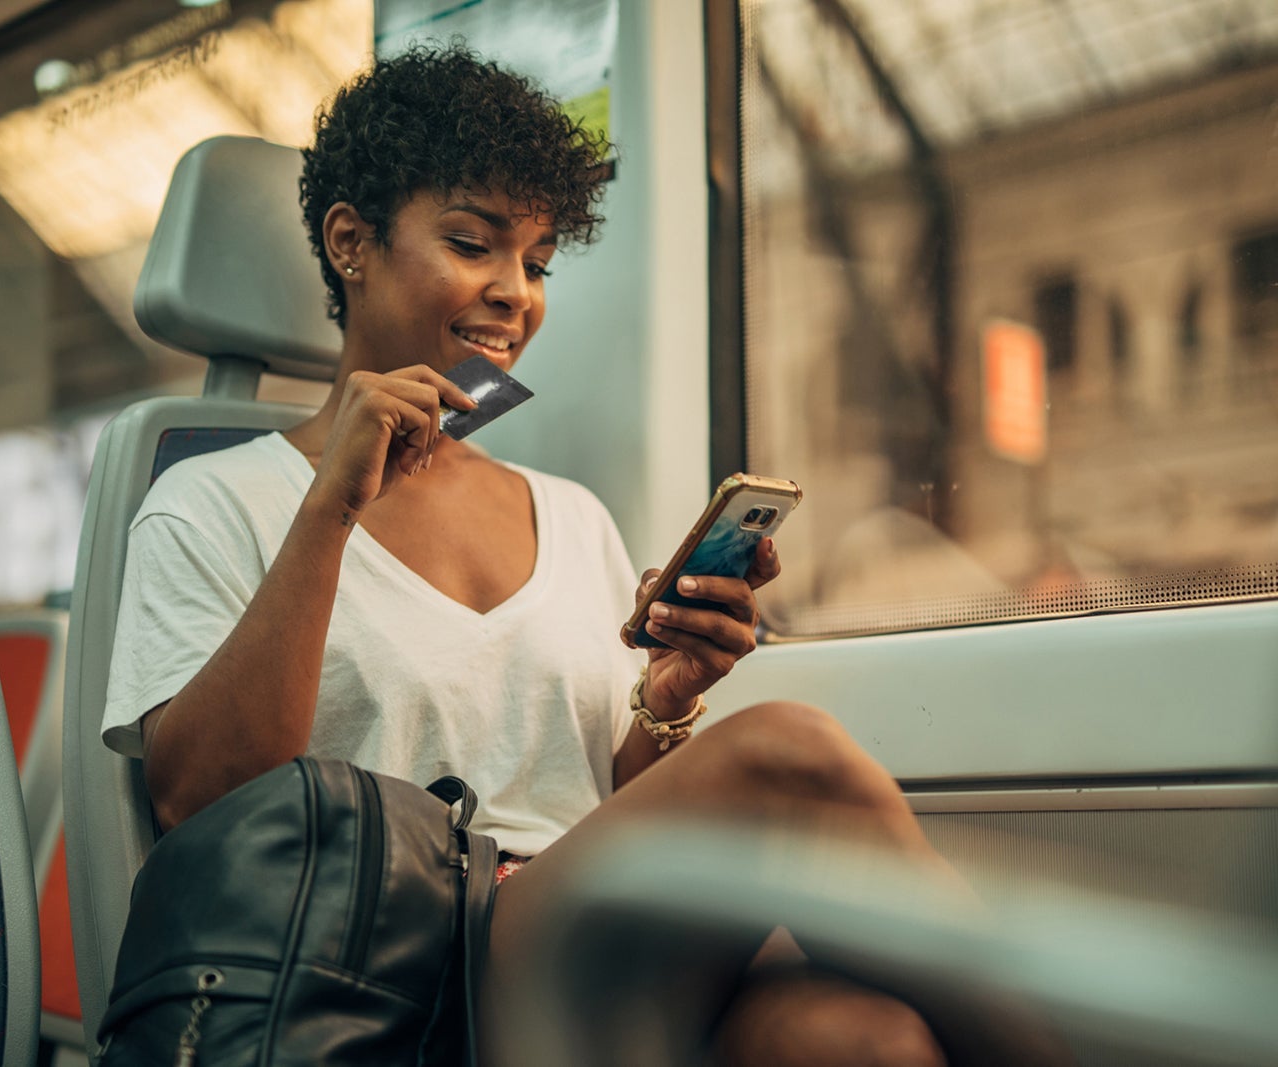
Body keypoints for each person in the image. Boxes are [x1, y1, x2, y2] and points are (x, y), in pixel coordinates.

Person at [103, 43, 1064, 1067]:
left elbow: (596, 793)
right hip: (386, 972)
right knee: (791, 755)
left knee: (864, 1036)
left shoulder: (566, 515)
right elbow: (202, 807)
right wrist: (329, 507)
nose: (515, 291)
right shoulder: (212, 499)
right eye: (473, 243)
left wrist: (669, 693)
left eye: (537, 261)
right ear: (351, 242)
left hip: (569, 937)